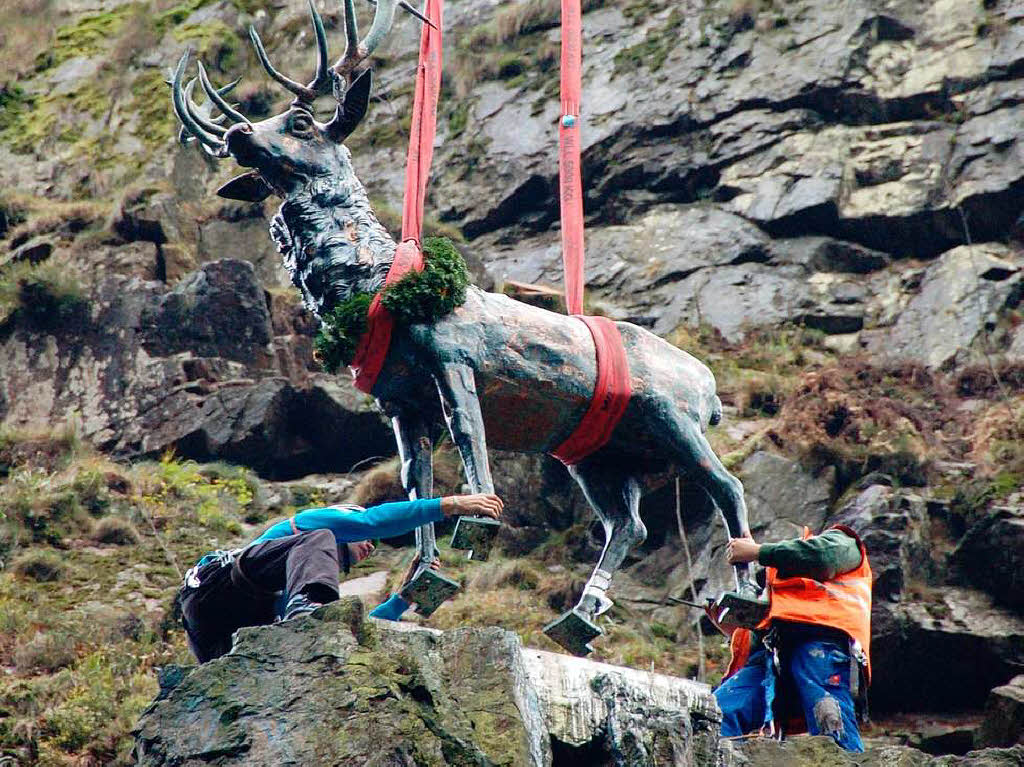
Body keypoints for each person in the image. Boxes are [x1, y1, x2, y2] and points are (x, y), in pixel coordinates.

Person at [180, 493, 503, 662]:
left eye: (374, 547)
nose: (370, 547)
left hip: (216, 642)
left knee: (332, 623)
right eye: (365, 540)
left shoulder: (297, 577)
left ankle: (310, 620)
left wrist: (401, 598)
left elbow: (349, 629)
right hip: (218, 584)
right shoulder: (310, 526)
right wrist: (451, 504)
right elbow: (374, 522)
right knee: (318, 541)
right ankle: (310, 616)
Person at [707, 525, 872, 752]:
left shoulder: (842, 542)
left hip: (821, 642)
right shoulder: (778, 585)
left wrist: (758, 552)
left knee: (828, 716)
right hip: (772, 656)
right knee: (716, 714)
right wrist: (735, 629)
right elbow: (769, 626)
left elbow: (822, 557)